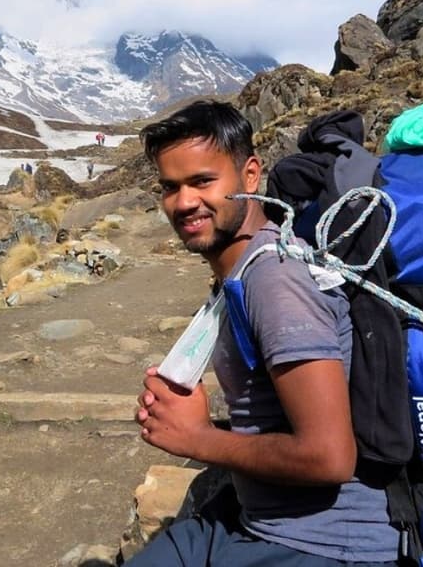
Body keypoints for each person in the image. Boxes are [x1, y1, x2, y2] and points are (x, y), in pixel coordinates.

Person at [131, 100, 399, 566]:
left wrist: (196, 438)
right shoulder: (242, 271)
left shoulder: (276, 281)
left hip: (322, 545)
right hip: (257, 520)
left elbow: (329, 457)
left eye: (202, 181)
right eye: (170, 187)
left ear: (250, 175)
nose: (184, 202)